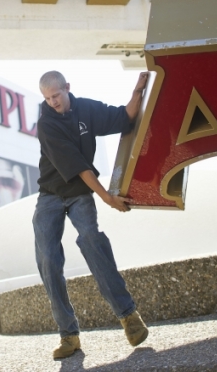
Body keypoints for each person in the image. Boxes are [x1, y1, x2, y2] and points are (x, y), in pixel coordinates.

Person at [34, 70, 149, 359]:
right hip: (50, 195)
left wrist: (138, 91)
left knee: (92, 240)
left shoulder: (86, 108)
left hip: (79, 195)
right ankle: (69, 335)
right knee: (48, 259)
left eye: (56, 96)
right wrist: (107, 197)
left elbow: (123, 117)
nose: (53, 102)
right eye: (47, 98)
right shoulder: (46, 123)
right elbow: (78, 166)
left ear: (67, 89)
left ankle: (128, 316)